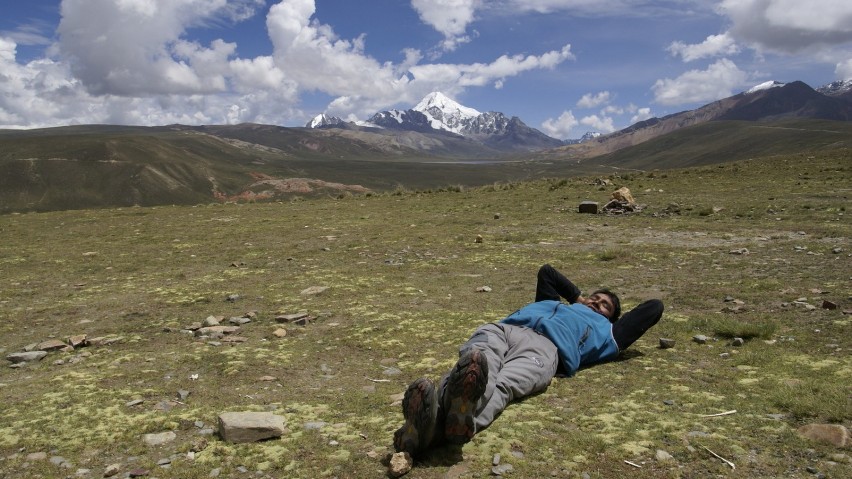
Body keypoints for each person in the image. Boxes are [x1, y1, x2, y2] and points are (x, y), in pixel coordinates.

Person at [393, 264, 664, 456]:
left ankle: (431, 428)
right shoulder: (554, 303)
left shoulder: (608, 334)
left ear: (611, 318)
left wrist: (605, 316)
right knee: (477, 362)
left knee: (503, 384)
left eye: (604, 305)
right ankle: (449, 419)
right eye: (595, 297)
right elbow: (548, 272)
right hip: (506, 329)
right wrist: (578, 298)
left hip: (546, 349)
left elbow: (654, 307)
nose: (596, 303)